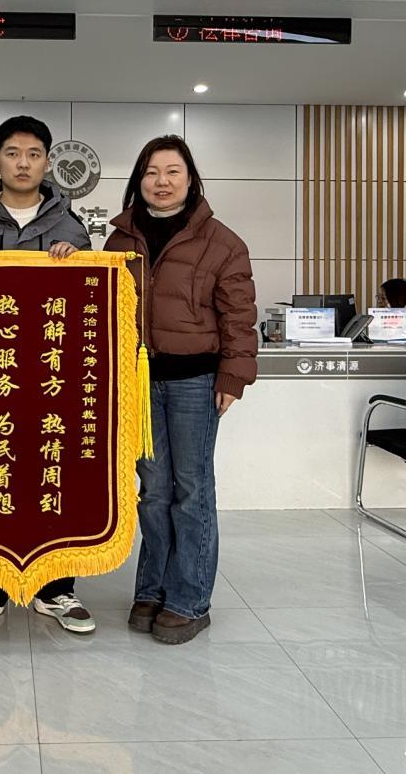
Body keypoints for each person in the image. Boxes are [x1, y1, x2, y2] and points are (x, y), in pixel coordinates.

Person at [0, 114, 97, 638]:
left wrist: (78, 263)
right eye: (12, 153)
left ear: (48, 163)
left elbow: (91, 306)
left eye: (33, 154)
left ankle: (57, 589)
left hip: (53, 380)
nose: (23, 163)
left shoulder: (70, 227)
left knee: (53, 475)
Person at [105, 135, 257, 644]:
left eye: (173, 171)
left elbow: (239, 318)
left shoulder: (222, 242)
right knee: (153, 492)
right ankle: (152, 589)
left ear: (191, 179)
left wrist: (233, 377)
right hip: (138, 384)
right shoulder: (120, 241)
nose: (162, 182)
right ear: (138, 180)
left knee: (191, 490)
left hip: (196, 383)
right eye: (151, 172)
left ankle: (190, 599)